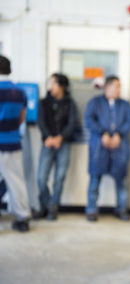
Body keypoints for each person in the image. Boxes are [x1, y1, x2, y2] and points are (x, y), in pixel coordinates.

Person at [84, 75, 130, 222]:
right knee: (95, 179)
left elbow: (129, 123)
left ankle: (122, 209)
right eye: (116, 86)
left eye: (120, 86)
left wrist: (118, 134)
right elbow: (89, 120)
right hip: (99, 146)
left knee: (121, 180)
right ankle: (91, 210)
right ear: (108, 87)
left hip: (120, 147)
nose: (119, 89)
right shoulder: (95, 102)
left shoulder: (125, 105)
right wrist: (102, 134)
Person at [36, 73, 77, 220]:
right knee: (41, 178)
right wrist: (48, 137)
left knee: (60, 177)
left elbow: (72, 123)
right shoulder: (43, 102)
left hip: (63, 144)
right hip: (47, 143)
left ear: (62, 86)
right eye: (50, 83)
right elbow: (41, 122)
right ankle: (45, 205)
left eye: (54, 83)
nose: (51, 86)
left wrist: (61, 137)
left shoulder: (70, 103)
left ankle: (53, 207)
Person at [0, 55, 31, 232]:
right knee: (16, 181)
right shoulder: (20, 92)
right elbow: (22, 118)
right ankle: (22, 218)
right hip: (13, 143)